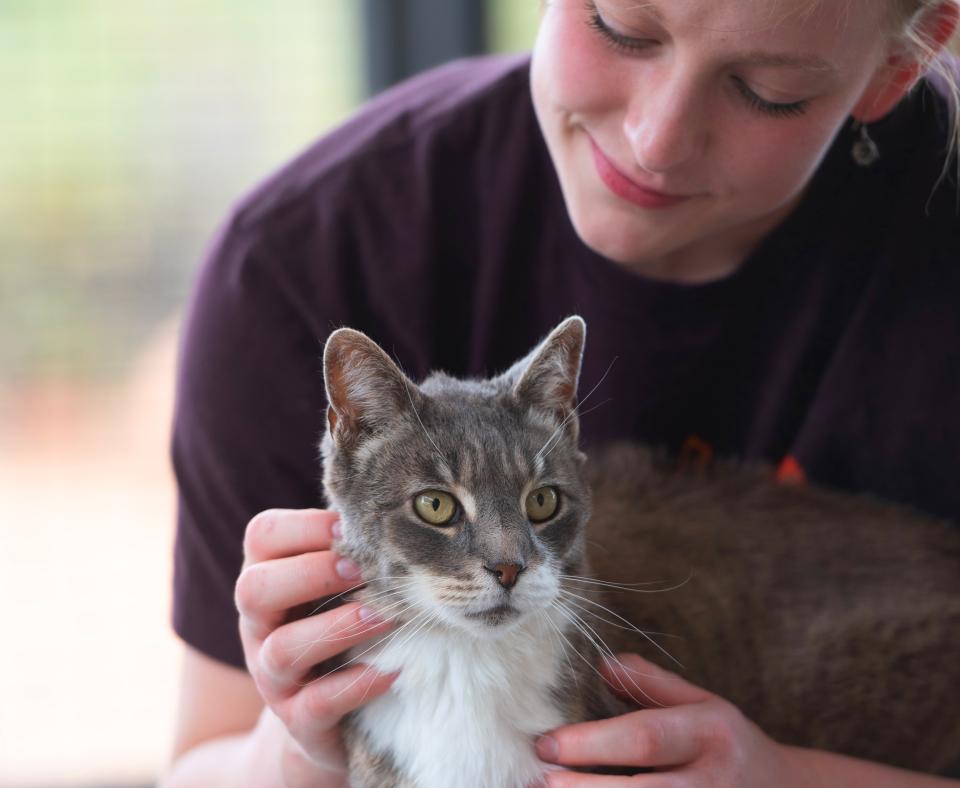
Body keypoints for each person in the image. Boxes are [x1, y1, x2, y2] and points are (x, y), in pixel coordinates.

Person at [160, 0, 960, 785]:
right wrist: (305, 744)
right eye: (621, 29)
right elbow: (199, 766)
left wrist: (798, 781)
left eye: (766, 88)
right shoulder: (302, 254)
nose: (657, 140)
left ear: (894, 71)